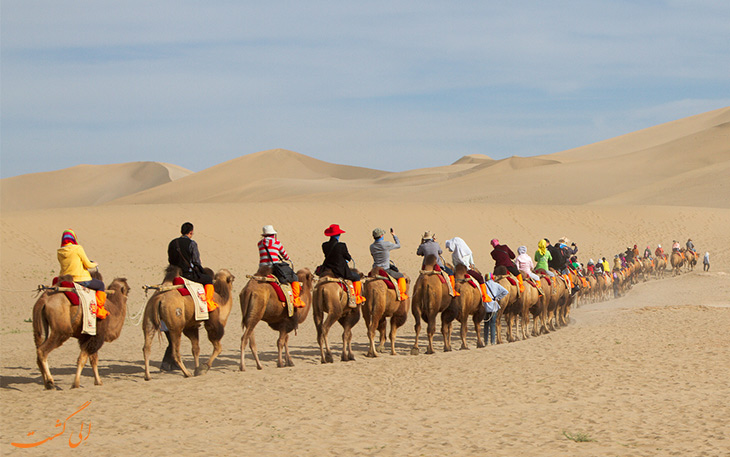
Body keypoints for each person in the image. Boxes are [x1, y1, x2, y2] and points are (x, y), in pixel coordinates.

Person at [57, 229, 108, 319]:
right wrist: (95, 264)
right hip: (81, 279)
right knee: (100, 285)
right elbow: (88, 264)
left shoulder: (60, 252)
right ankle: (99, 309)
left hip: (67, 279)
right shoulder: (78, 249)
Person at [167, 222, 217, 312]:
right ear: (190, 232)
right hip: (187, 275)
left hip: (175, 274)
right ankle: (209, 304)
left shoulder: (172, 243)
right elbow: (196, 261)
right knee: (208, 279)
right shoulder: (192, 243)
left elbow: (170, 260)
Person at [319, 224, 366, 306]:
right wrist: (347, 258)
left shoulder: (324, 245)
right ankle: (357, 297)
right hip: (340, 270)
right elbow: (347, 256)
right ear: (339, 235)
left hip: (328, 269)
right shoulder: (341, 245)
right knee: (356, 277)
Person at [258, 225, 303, 308]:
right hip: (273, 267)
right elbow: (285, 256)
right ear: (273, 234)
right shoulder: (277, 243)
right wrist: (287, 258)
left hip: (262, 268)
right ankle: (295, 299)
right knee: (294, 278)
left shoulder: (260, 243)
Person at [445, 237, 489, 303]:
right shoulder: (468, 252)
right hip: (467, 270)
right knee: (480, 278)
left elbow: (455, 264)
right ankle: (485, 296)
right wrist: (471, 265)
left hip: (457, 270)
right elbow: (471, 263)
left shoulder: (454, 255)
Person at [370, 227, 408, 301]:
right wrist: (394, 235)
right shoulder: (386, 244)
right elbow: (398, 245)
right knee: (401, 276)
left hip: (375, 269)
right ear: (381, 236)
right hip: (385, 269)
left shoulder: (371, 246)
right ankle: (402, 294)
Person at [483, 276, 508, 345]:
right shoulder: (496, 285)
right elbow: (505, 292)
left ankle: (486, 341)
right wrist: (498, 298)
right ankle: (493, 341)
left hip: (486, 306)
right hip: (494, 305)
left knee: (486, 324)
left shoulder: (484, 285)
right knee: (493, 324)